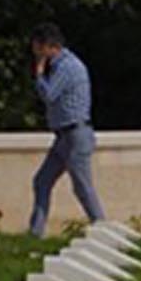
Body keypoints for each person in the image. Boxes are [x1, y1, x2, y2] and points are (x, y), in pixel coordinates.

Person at [26, 23, 107, 238]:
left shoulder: (67, 67)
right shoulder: (63, 66)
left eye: (37, 47)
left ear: (48, 46)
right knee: (42, 181)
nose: (35, 52)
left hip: (76, 134)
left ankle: (102, 228)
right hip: (63, 136)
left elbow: (49, 95)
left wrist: (40, 73)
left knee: (82, 185)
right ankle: (36, 232)